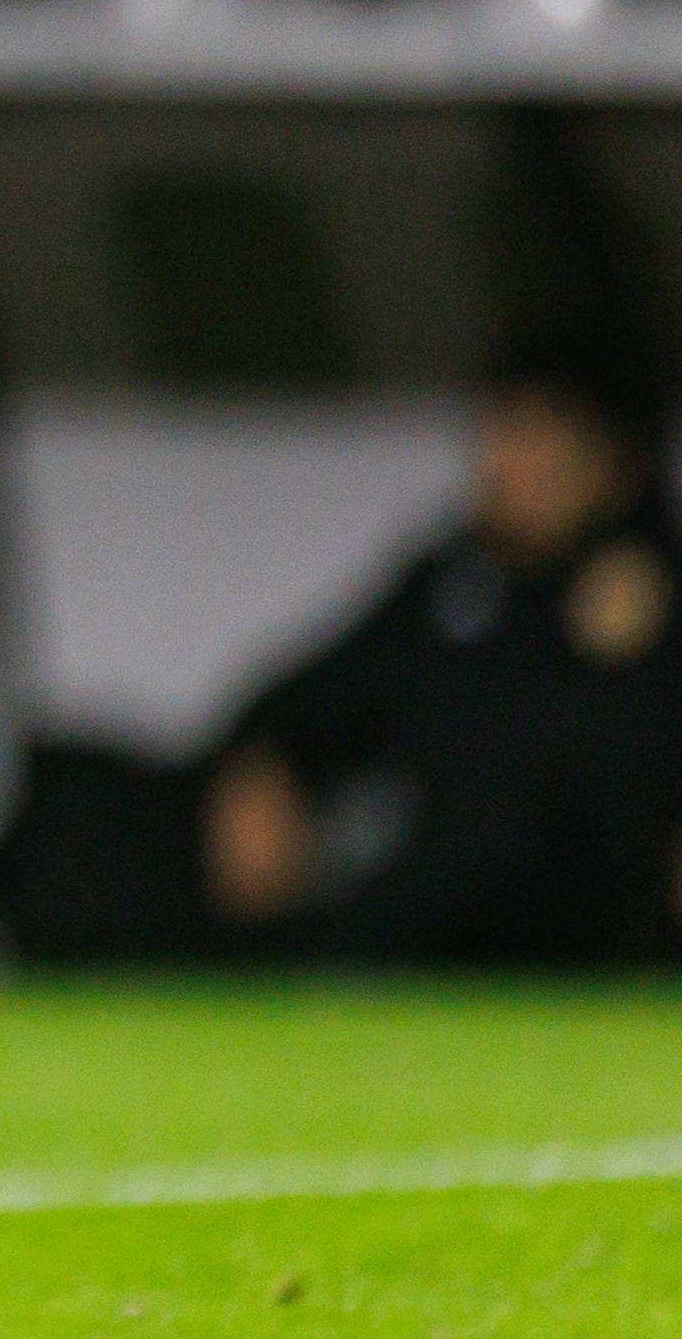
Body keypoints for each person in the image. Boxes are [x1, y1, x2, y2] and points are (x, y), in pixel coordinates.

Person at [194, 358, 682, 968]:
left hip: (593, 927)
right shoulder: (455, 584)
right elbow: (324, 691)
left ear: (615, 468)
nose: (514, 464)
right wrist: (266, 762)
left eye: (546, 440)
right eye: (507, 435)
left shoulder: (652, 595)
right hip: (428, 907)